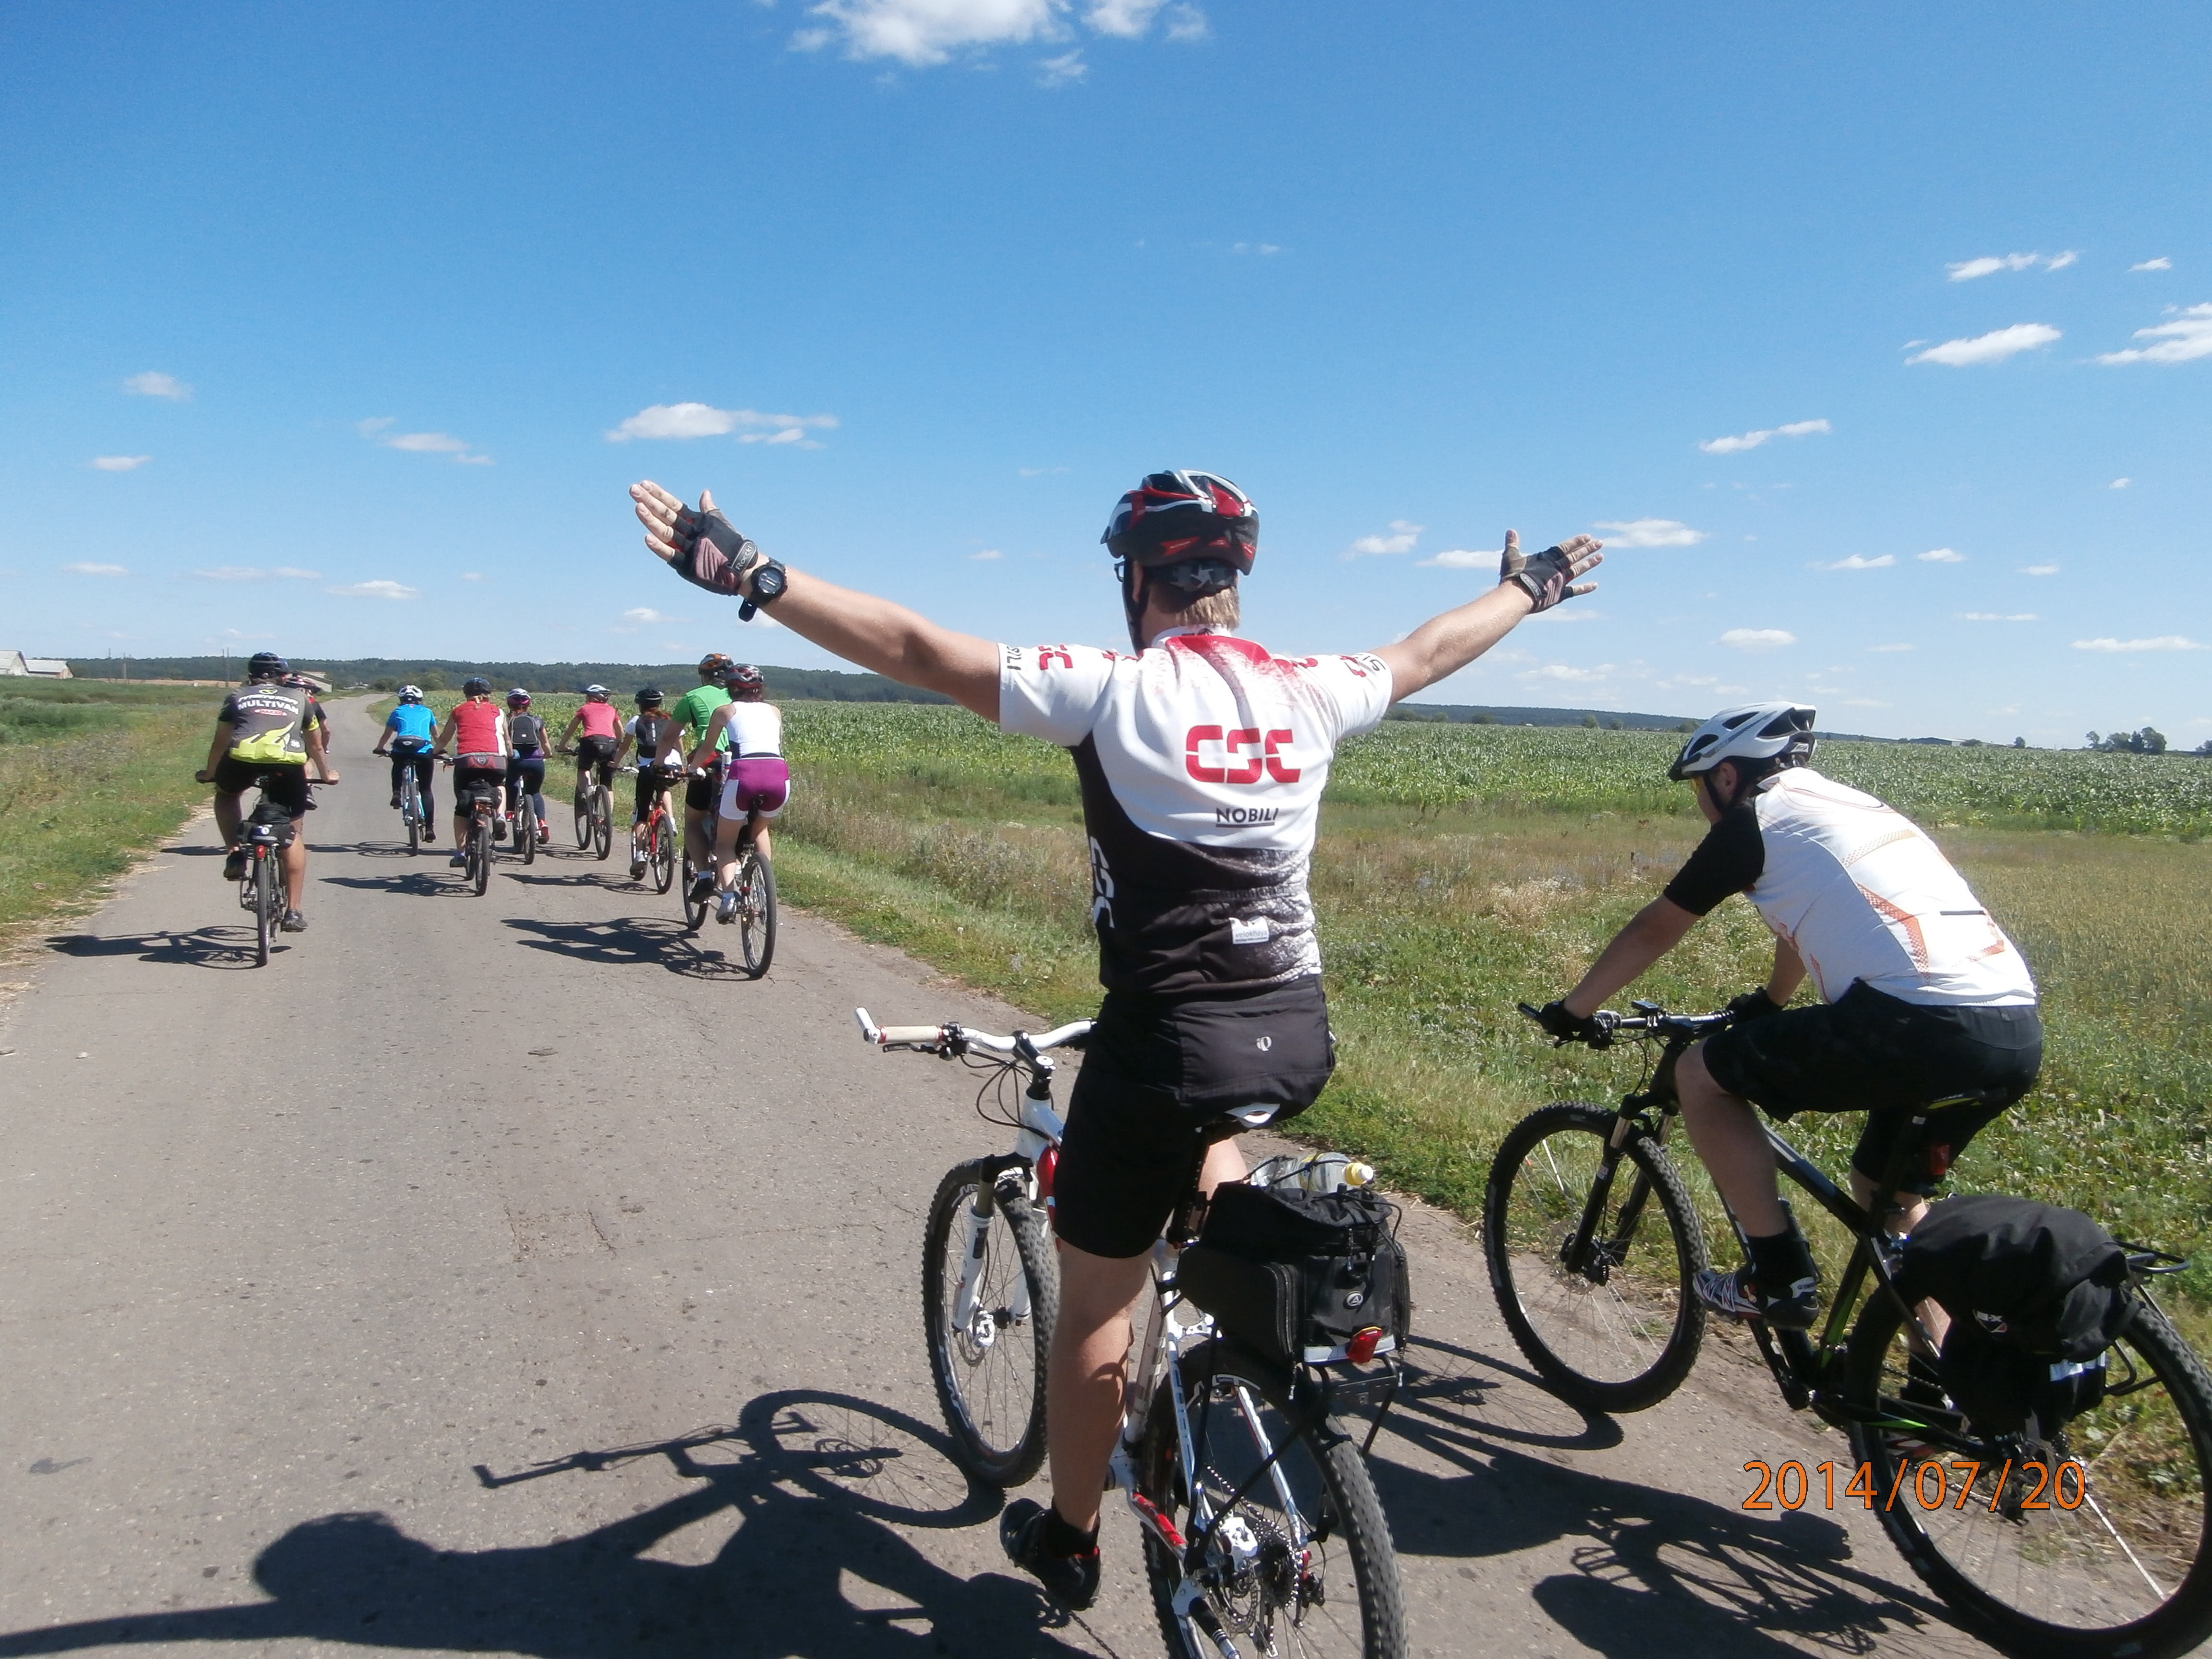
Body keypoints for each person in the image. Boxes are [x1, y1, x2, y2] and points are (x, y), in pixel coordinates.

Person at [628, 468, 1600, 1608]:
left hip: (1166, 1043)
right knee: (1203, 1160)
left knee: (1096, 1303)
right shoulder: (1314, 687)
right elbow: (1430, 649)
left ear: (1139, 581)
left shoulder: (1111, 688)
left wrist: (752, 573)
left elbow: (915, 646)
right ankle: (1221, 1351)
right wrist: (1529, 589)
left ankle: (1073, 1537)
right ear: (1231, 580)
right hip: (1291, 1033)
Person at [1535, 701, 2043, 1331]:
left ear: (1727, 776)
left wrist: (1574, 1009)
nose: (1702, 802)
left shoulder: (1755, 817)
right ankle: (1938, 1376)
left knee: (1698, 1075)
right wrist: (1771, 1001)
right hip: (2012, 1029)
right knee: (1889, 1199)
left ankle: (1777, 1278)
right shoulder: (1853, 808)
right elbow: (1799, 918)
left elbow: (1656, 928)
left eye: (1699, 786)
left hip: (1917, 1024)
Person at [195, 650, 338, 933]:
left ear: (250, 676)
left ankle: (235, 852)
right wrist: (326, 775)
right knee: (292, 830)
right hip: (288, 764)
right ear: (284, 677)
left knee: (226, 795)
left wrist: (210, 773)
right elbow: (315, 744)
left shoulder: (237, 697)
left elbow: (220, 742)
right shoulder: (300, 699)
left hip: (242, 761)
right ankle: (294, 911)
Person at [687, 664, 788, 924]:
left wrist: (693, 769)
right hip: (779, 776)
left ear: (731, 688)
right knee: (759, 829)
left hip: (745, 775)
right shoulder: (774, 711)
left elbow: (707, 748)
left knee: (725, 843)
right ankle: (763, 890)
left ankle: (729, 899)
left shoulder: (725, 711)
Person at [659, 653, 735, 905]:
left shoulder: (693, 697)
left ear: (705, 677)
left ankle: (703, 877)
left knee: (693, 821)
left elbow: (669, 737)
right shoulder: (743, 698)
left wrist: (658, 764)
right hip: (743, 763)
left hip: (709, 761)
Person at [433, 677, 509, 866]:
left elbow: (444, 739)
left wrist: (434, 753)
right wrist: (510, 755)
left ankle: (460, 853)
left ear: (466, 695)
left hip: (467, 761)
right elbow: (507, 740)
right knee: (499, 784)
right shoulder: (499, 711)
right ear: (489, 695)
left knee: (462, 807)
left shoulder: (458, 711)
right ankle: (500, 816)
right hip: (496, 760)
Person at [614, 686, 682, 880]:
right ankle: (671, 820)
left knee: (642, 813)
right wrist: (683, 762)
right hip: (672, 767)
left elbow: (624, 747)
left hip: (648, 768)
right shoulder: (670, 719)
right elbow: (679, 743)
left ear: (641, 705)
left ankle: (640, 854)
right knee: (664, 788)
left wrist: (615, 764)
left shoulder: (636, 721)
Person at [372, 685, 438, 841]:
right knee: (426, 790)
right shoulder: (427, 712)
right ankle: (429, 829)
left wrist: (380, 748)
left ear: (401, 700)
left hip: (402, 748)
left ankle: (396, 793)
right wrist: (440, 750)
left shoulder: (397, 711)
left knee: (398, 763)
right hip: (423, 750)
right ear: (420, 700)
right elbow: (436, 735)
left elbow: (387, 734)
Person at [556, 685, 624, 819]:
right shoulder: (612, 709)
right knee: (608, 785)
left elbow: (571, 730)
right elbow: (620, 730)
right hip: (610, 743)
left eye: (587, 697)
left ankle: (585, 795)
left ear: (593, 698)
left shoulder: (585, 708)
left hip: (591, 741)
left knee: (584, 769)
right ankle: (607, 818)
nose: (586, 699)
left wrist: (562, 746)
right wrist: (618, 744)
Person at [504, 689, 551, 843]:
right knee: (535, 792)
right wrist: (548, 754)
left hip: (515, 761)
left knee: (511, 783)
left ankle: (511, 811)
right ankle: (542, 822)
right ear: (528, 705)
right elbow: (545, 743)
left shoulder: (506, 720)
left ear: (509, 703)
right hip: (536, 762)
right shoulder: (536, 720)